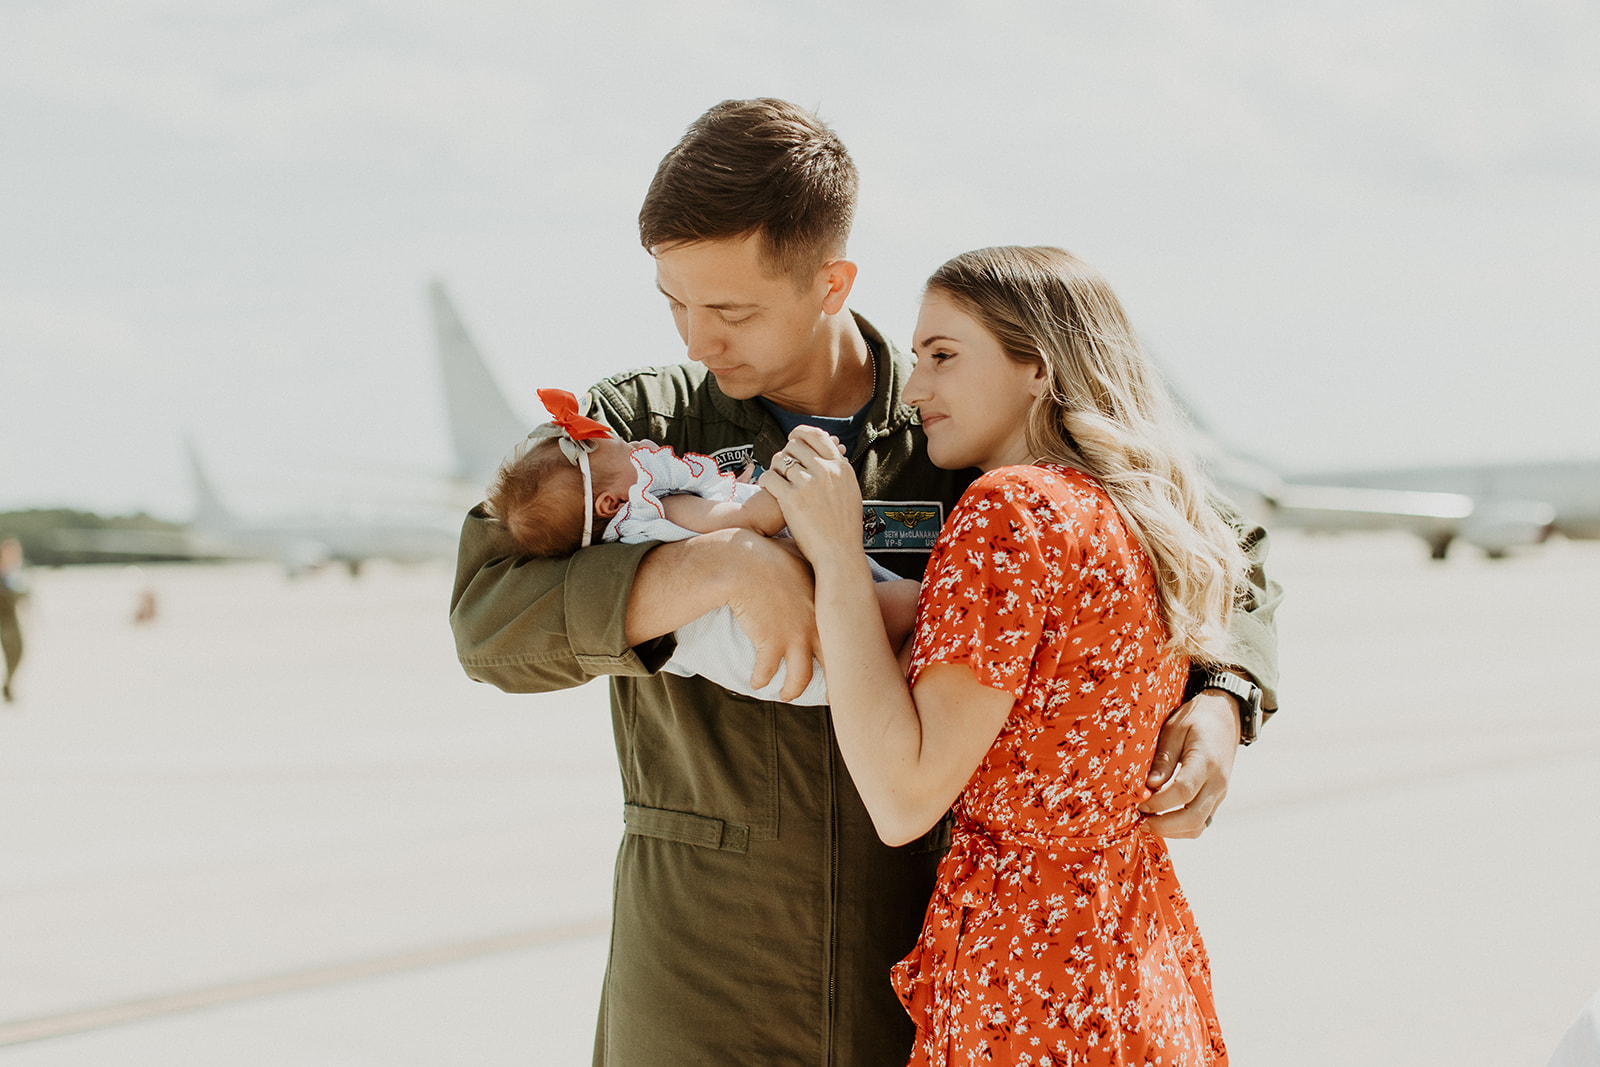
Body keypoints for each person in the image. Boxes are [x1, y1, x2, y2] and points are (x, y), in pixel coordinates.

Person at [449, 98, 1282, 1066]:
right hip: (709, 960)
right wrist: (721, 561)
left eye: (731, 309)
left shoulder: (960, 414)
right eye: (673, 302)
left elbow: (1210, 534)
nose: (696, 341)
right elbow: (490, 621)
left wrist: (1222, 694)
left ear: (830, 281)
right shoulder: (634, 429)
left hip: (932, 939)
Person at [765, 245, 1243, 1065]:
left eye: (944, 357)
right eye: (916, 361)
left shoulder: (1009, 510)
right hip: (1128, 956)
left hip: (1031, 980)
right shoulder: (1124, 516)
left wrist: (839, 549)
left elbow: (903, 795)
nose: (915, 391)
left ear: (1038, 369)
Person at [484, 387, 920, 705]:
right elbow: (755, 519)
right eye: (623, 453)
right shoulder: (664, 511)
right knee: (912, 603)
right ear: (610, 503)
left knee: (901, 667)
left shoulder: (621, 541)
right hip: (795, 649)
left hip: (779, 674)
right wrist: (799, 467)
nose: (636, 446)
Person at [1, 537, 27, 703]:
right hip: (3, 617)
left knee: (17, 651)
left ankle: (8, 685)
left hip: (10, 617)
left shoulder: (14, 571)